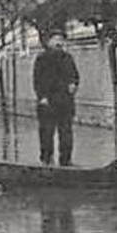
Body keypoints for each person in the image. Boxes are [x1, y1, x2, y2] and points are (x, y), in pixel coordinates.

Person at [32, 31, 79, 165]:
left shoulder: (68, 58)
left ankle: (66, 160)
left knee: (66, 133)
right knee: (46, 132)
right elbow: (37, 79)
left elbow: (75, 76)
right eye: (56, 39)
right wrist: (42, 97)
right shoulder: (42, 58)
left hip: (65, 101)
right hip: (48, 101)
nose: (59, 42)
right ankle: (47, 159)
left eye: (61, 40)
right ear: (49, 42)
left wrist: (73, 85)